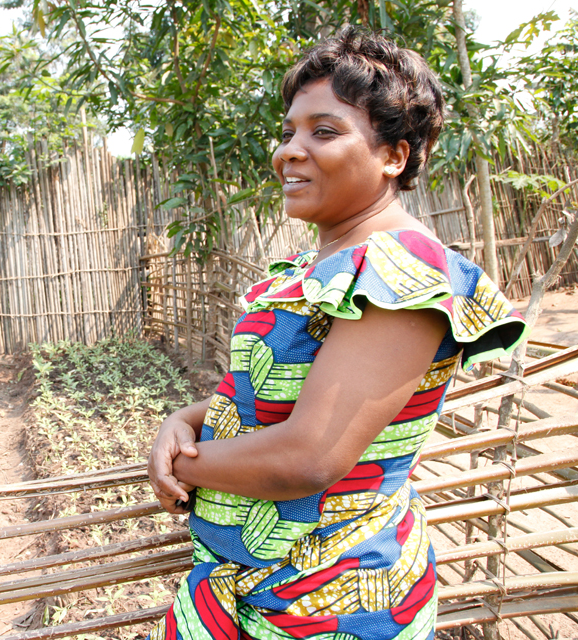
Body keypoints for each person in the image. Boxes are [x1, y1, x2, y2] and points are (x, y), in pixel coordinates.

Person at [146, 26, 529, 640]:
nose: (289, 151)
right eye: (289, 132)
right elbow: (266, 396)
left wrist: (179, 466)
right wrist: (183, 423)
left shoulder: (405, 273)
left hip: (330, 604)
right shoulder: (316, 267)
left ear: (393, 156)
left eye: (324, 131)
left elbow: (308, 455)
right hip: (264, 587)